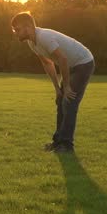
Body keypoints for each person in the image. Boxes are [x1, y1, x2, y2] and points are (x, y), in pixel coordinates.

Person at [11, 12, 95, 153]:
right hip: (70, 65)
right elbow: (48, 63)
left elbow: (62, 60)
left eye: (17, 29)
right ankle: (57, 142)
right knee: (61, 100)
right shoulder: (32, 43)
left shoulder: (44, 37)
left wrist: (67, 86)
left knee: (69, 101)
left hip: (83, 63)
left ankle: (67, 145)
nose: (15, 33)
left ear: (28, 26)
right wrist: (57, 88)